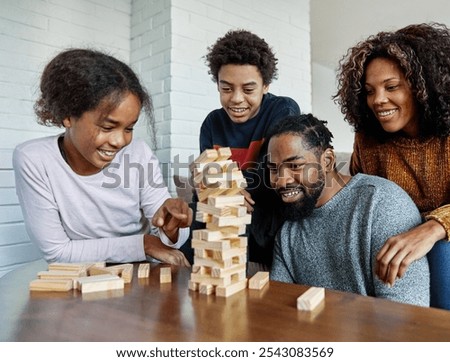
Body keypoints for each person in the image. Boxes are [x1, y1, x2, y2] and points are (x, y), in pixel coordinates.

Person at [13, 48, 192, 266]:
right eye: (107, 127)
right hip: (80, 279)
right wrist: (144, 244)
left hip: (141, 276)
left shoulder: (138, 153)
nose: (119, 141)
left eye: (129, 128)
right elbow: (58, 252)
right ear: (67, 115)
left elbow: (168, 240)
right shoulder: (34, 159)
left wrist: (172, 228)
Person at [333, 22, 450, 309]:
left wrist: (434, 228)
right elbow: (364, 202)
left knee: (442, 255)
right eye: (370, 91)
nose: (378, 100)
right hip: (395, 242)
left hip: (442, 245)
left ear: (422, 88)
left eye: (391, 87)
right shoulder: (368, 140)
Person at [267, 114, 430, 307]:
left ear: (327, 161)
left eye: (295, 166)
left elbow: (406, 313)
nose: (281, 180)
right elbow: (277, 310)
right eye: (273, 169)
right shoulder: (287, 232)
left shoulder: (382, 204)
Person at [189, 29, 301, 269]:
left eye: (248, 90)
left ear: (265, 85)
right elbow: (208, 176)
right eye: (226, 88)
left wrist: (228, 186)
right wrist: (223, 189)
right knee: (201, 209)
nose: (236, 99)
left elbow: (275, 175)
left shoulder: (283, 109)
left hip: (266, 213)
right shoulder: (212, 123)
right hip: (228, 215)